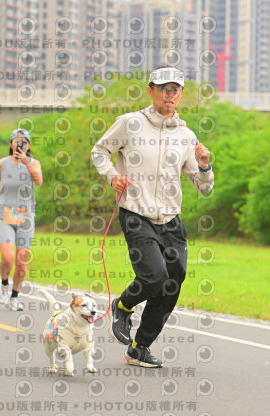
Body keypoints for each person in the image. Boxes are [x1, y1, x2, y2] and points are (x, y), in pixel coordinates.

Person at [91, 66, 214, 368]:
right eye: (163, 89)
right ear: (150, 91)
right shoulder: (130, 123)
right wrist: (112, 176)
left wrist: (204, 166)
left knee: (172, 281)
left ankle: (139, 348)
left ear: (181, 94)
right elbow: (99, 151)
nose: (169, 95)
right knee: (154, 276)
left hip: (171, 219)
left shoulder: (186, 136)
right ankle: (123, 305)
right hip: (136, 213)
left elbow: (204, 187)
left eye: (175, 89)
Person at [0, 129, 43, 311]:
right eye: (17, 140)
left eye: (24, 141)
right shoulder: (2, 163)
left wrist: (26, 162)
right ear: (11, 143)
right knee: (7, 258)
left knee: (21, 262)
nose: (21, 143)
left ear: (29, 145)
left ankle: (14, 297)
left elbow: (39, 181)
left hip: (26, 217)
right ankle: (4, 282)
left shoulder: (34, 163)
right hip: (5, 215)